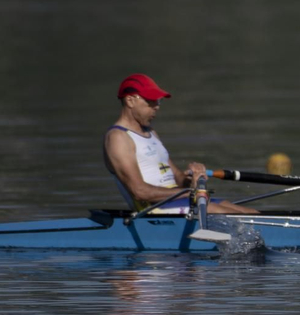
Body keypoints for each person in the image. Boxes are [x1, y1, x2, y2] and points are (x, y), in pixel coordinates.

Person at [104, 73, 258, 215]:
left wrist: (192, 179)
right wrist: (189, 192)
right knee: (228, 214)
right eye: (151, 100)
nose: (156, 106)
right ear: (130, 100)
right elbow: (139, 191)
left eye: (158, 101)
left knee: (252, 214)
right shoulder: (118, 138)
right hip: (153, 208)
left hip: (179, 199)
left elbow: (177, 178)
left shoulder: (150, 132)